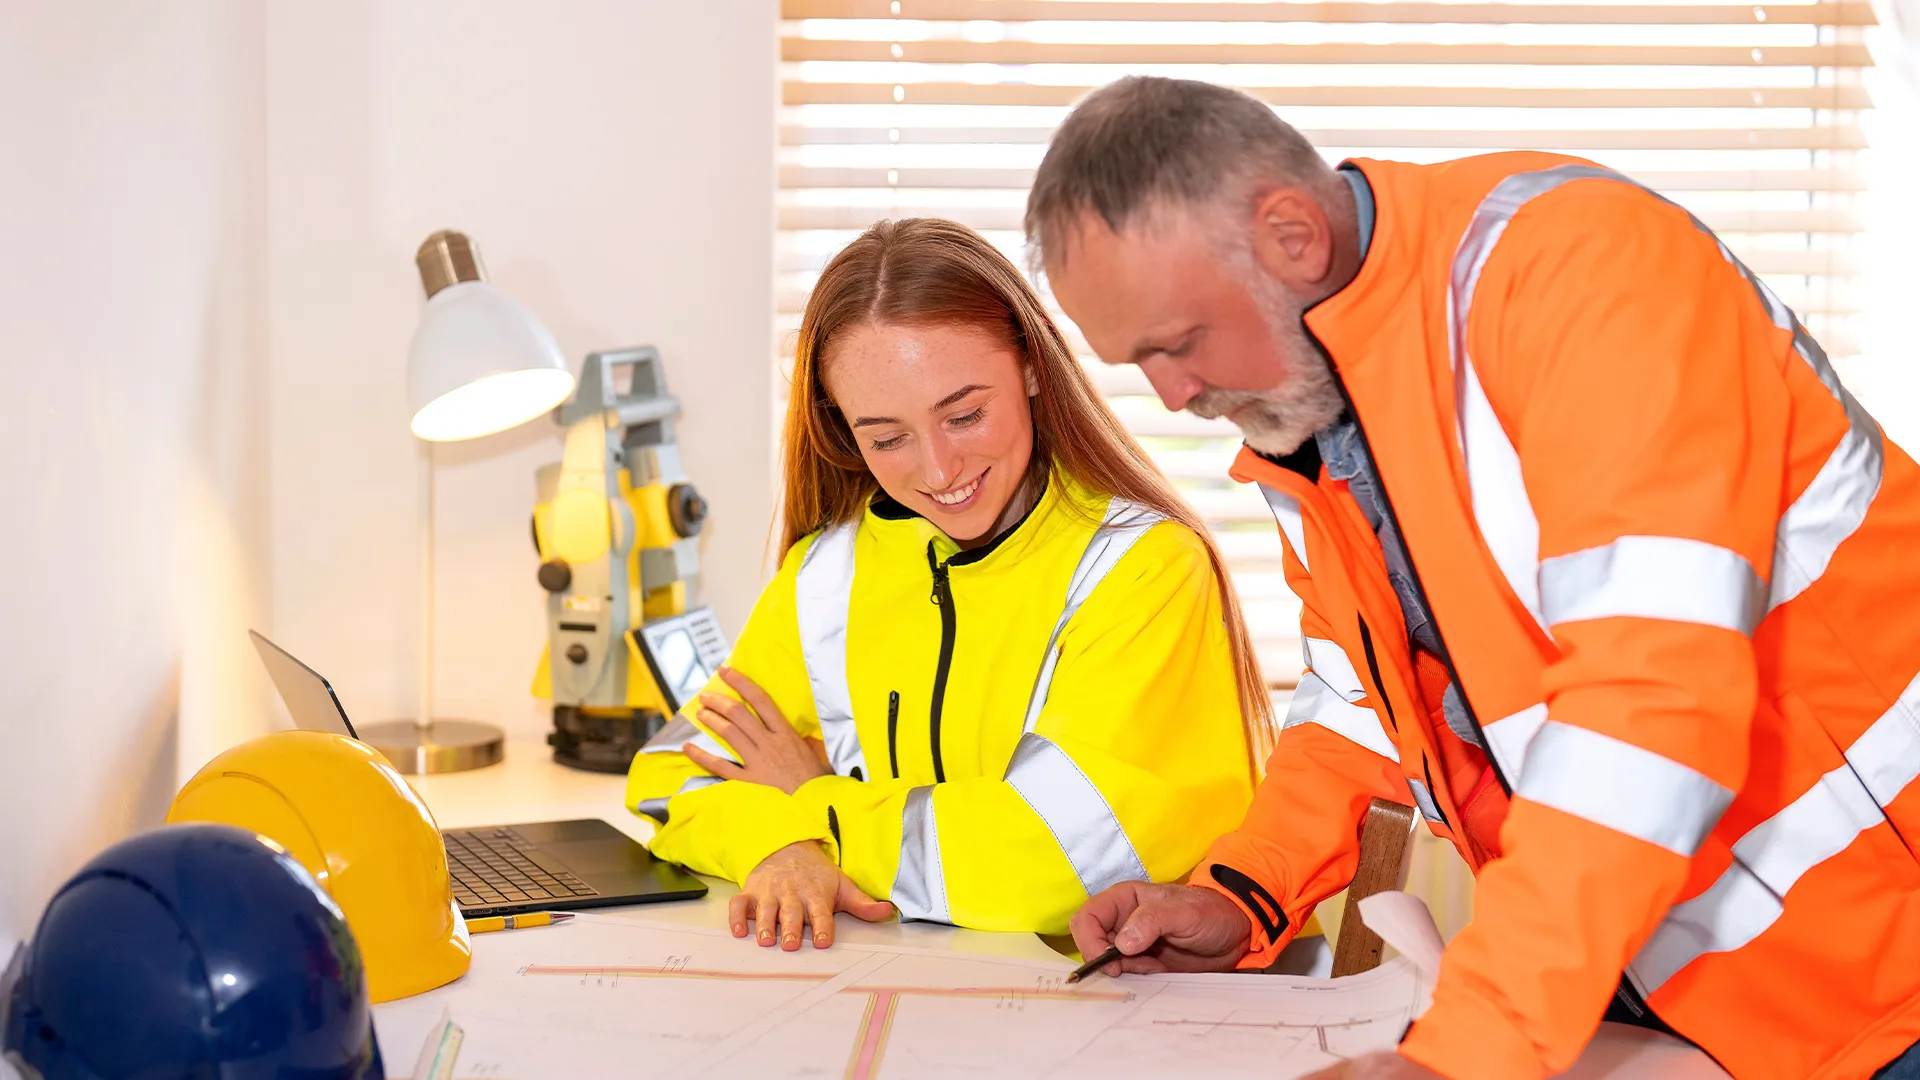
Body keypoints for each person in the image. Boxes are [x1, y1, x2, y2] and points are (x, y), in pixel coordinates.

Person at [1031, 76, 1920, 1080]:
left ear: (1291, 236)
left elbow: (1649, 699)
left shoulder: (1583, 274)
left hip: (1883, 973)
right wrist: (1240, 895)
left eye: (1177, 344)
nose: (1173, 395)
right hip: (1654, 986)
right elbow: (1360, 706)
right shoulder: (1309, 414)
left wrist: (1471, 1050)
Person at [624, 217, 1269, 952]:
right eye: (887, 437)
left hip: (1124, 1014)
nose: (938, 470)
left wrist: (810, 803)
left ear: (1030, 367)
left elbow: (1051, 869)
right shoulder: (824, 574)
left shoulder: (1144, 568)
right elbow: (670, 779)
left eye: (963, 414)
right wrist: (775, 845)